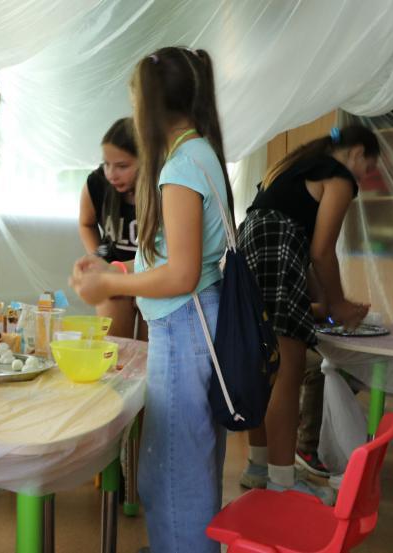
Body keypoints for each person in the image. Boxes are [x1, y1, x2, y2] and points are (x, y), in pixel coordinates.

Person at [70, 46, 232, 553]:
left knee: (175, 467)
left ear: (151, 105)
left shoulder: (180, 166)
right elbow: (178, 260)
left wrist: (111, 287)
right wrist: (118, 270)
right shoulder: (200, 152)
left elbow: (182, 274)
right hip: (193, 321)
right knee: (180, 458)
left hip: (184, 326)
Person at [237, 125, 378, 503]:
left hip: (250, 247)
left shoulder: (296, 166)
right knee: (287, 370)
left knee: (263, 368)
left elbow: (301, 253)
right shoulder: (339, 177)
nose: (365, 177)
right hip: (273, 250)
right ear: (358, 153)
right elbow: (321, 252)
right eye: (368, 167)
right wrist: (340, 305)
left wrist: (324, 302)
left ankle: (259, 466)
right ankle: (283, 481)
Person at [77, 117, 147, 339]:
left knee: (150, 352)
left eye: (122, 166)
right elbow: (86, 223)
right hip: (114, 275)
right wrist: (98, 258)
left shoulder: (165, 187)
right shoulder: (97, 183)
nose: (111, 174)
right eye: (106, 163)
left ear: (146, 160)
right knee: (114, 348)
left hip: (153, 277)